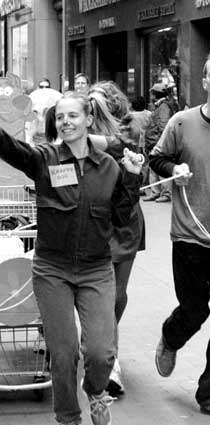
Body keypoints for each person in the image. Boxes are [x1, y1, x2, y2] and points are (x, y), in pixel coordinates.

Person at [0, 92, 143, 425]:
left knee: (101, 353)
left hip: (96, 270)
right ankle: (68, 417)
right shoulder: (46, 159)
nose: (65, 122)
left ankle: (95, 390)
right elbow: (18, 152)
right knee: (63, 353)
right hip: (52, 271)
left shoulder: (109, 167)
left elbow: (122, 218)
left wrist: (133, 177)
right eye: (60, 117)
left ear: (89, 119)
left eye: (73, 116)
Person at [150, 53, 210, 415]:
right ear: (205, 81)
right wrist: (175, 166)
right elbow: (156, 158)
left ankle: (208, 393)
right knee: (194, 310)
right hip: (190, 236)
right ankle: (171, 336)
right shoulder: (182, 122)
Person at [88, 80, 145, 397]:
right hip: (94, 224)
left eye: (98, 107)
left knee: (117, 294)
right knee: (102, 296)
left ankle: (103, 344)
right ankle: (109, 361)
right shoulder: (80, 133)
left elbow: (114, 145)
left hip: (124, 224)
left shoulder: (126, 134)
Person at [143, 82, 178, 202]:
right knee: (153, 167)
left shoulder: (163, 107)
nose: (151, 96)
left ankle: (166, 193)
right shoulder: (160, 106)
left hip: (157, 143)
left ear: (155, 94)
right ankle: (156, 192)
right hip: (153, 142)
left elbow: (164, 125)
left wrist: (161, 143)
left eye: (152, 93)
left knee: (160, 167)